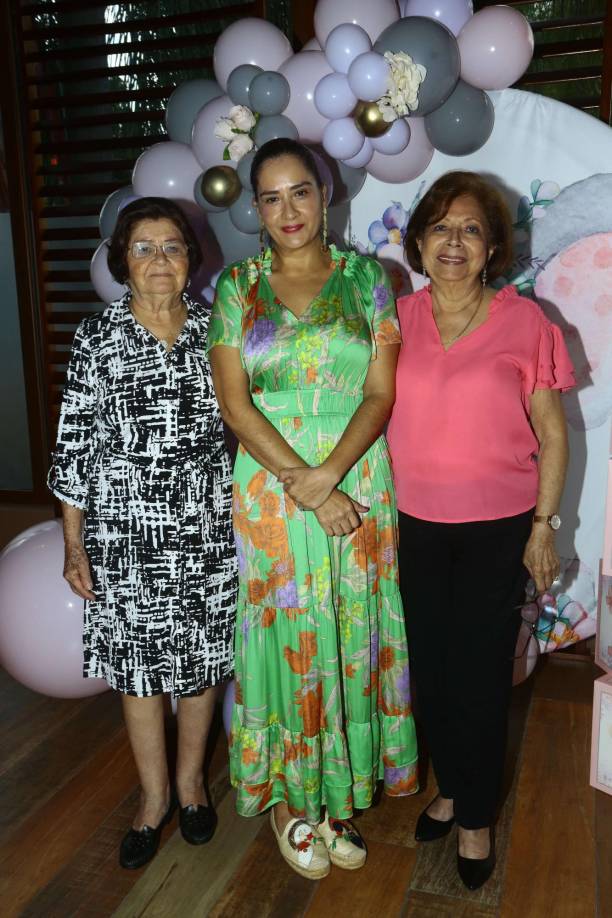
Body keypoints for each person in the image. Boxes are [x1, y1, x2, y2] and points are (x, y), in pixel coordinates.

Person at [207, 138, 418, 880]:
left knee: (351, 627)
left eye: (300, 191)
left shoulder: (369, 280)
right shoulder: (237, 287)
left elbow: (381, 392)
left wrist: (331, 477)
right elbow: (235, 404)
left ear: (325, 195)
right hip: (272, 487)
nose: (287, 210)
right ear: (255, 209)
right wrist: (308, 483)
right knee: (287, 633)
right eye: (270, 197)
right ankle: (290, 802)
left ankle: (335, 797)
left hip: (357, 475)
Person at [387, 171, 574, 890]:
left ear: (493, 246)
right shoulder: (392, 319)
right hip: (414, 527)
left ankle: (474, 818)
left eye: (471, 229)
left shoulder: (526, 322)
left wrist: (543, 526)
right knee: (431, 673)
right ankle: (452, 786)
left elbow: (552, 434)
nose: (454, 242)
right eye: (440, 228)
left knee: (481, 675)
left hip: (499, 528)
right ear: (419, 242)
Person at [48, 197, 237, 870]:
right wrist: (73, 543)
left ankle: (192, 788)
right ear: (122, 261)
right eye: (144, 248)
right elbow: (74, 447)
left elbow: (249, 423)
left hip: (208, 528)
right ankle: (153, 799)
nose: (160, 260)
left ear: (192, 259)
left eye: (172, 246)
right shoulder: (96, 336)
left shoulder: (217, 331)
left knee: (201, 664)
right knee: (137, 671)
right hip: (123, 536)